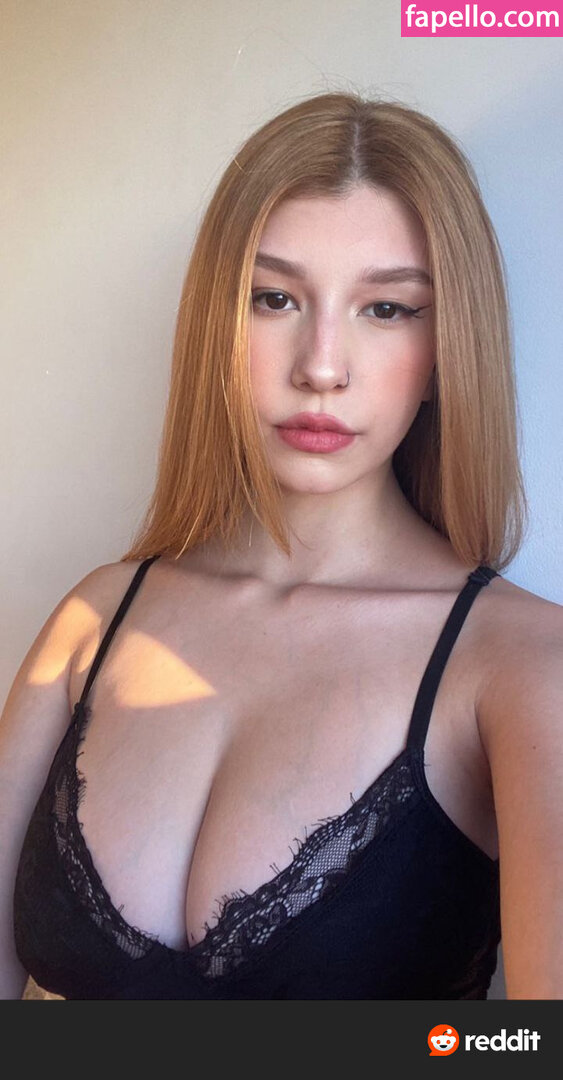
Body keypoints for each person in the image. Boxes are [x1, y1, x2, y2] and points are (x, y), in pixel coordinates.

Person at [2, 90, 562, 1001]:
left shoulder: (523, 666)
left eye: (387, 309)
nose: (321, 366)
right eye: (273, 298)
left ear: (446, 347)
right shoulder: (94, 620)